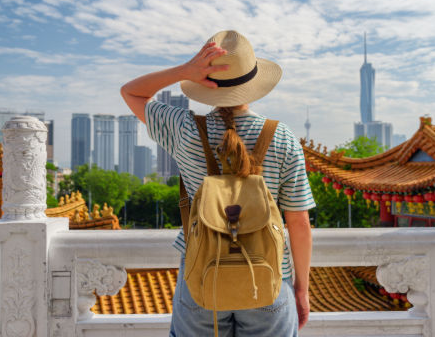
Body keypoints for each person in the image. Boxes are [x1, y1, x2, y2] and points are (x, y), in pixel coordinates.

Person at [120, 30, 314, 336]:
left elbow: (131, 92)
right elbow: (299, 222)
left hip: (201, 274)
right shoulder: (282, 136)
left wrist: (185, 70)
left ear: (205, 84)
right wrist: (301, 289)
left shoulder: (184, 128)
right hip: (270, 275)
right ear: (253, 83)